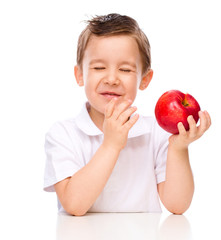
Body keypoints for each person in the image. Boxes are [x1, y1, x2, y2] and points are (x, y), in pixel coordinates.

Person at [43, 13, 211, 216]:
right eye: (98, 67)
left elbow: (177, 205)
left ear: (145, 79)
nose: (112, 78)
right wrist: (111, 144)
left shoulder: (156, 133)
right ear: (80, 75)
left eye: (124, 69)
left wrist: (179, 148)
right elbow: (74, 205)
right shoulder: (64, 134)